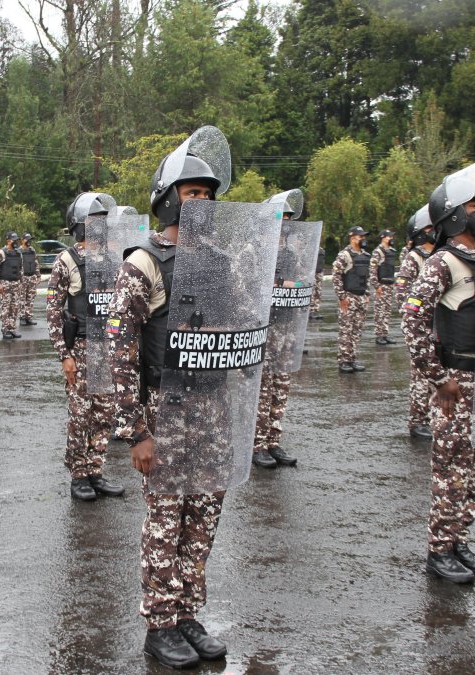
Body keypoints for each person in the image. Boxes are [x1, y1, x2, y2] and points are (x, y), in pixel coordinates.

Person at [109, 127, 241, 669]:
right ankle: (159, 624)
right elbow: (120, 349)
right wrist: (137, 431)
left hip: (213, 411)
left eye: (209, 194)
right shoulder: (143, 263)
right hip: (166, 412)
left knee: (202, 519)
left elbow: (236, 333)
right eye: (192, 193)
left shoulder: (219, 261)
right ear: (168, 197)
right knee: (166, 522)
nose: (202, 202)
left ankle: (187, 613)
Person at [402, 163, 475, 584]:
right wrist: (437, 377)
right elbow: (412, 320)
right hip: (457, 381)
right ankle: (439, 550)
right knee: (451, 468)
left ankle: (460, 538)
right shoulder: (443, 262)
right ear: (456, 213)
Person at [47, 192, 124, 501]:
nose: (100, 228)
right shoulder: (66, 261)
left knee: (104, 414)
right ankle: (78, 475)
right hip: (80, 350)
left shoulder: (113, 260)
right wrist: (64, 356)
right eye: (94, 222)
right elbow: (53, 310)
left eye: (103, 222)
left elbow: (118, 309)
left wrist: (120, 344)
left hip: (107, 351)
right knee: (81, 416)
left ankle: (95, 470)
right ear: (79, 226)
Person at [252, 188, 313, 469]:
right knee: (262, 390)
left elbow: (303, 281)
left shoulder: (289, 253)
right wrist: (274, 286)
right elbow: (244, 290)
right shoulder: (253, 251)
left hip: (287, 327)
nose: (285, 223)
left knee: (281, 386)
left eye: (289, 218)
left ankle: (273, 441)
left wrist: (295, 286)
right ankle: (257, 445)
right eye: (281, 217)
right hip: (263, 329)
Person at [395, 206, 435, 440]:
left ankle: (432, 417)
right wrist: (416, 317)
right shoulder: (415, 257)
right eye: (429, 229)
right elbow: (403, 290)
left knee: (437, 375)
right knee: (421, 376)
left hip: (440, 324)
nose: (434, 232)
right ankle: (417, 420)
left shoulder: (440, 254)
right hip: (422, 324)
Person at [333, 226, 371, 372]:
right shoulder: (344, 255)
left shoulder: (365, 255)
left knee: (356, 330)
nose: (363, 239)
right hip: (349, 297)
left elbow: (365, 277)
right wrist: (342, 297)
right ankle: (343, 361)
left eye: (363, 237)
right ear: (352, 237)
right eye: (360, 236)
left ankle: (352, 359)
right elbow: (336, 277)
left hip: (361, 297)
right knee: (346, 331)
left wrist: (367, 294)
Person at [370, 229, 399, 345]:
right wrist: (376, 286)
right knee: (379, 311)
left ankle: (385, 334)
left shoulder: (391, 251)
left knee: (387, 311)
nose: (391, 239)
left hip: (389, 285)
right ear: (383, 237)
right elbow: (372, 270)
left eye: (391, 237)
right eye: (389, 237)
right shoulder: (378, 252)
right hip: (381, 286)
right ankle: (379, 335)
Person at [0, 232, 23, 339]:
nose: (15, 242)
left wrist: (21, 281)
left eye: (16, 240)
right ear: (8, 241)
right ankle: (5, 329)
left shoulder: (18, 253)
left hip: (16, 283)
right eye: (13, 240)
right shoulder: (1, 253)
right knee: (6, 307)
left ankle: (12, 328)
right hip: (5, 283)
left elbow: (21, 268)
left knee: (15, 307)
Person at [18, 232, 40, 327]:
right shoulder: (18, 251)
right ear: (22, 240)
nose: (29, 241)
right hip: (22, 278)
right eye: (27, 239)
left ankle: (28, 317)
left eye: (30, 239)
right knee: (22, 298)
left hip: (32, 277)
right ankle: (22, 317)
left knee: (30, 298)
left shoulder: (32, 250)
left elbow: (36, 263)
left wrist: (38, 275)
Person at [310, 246, 325, 319]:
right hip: (312, 273)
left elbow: (320, 264)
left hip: (318, 274)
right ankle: (311, 309)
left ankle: (315, 309)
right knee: (312, 291)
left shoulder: (320, 250)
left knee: (317, 292)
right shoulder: (310, 249)